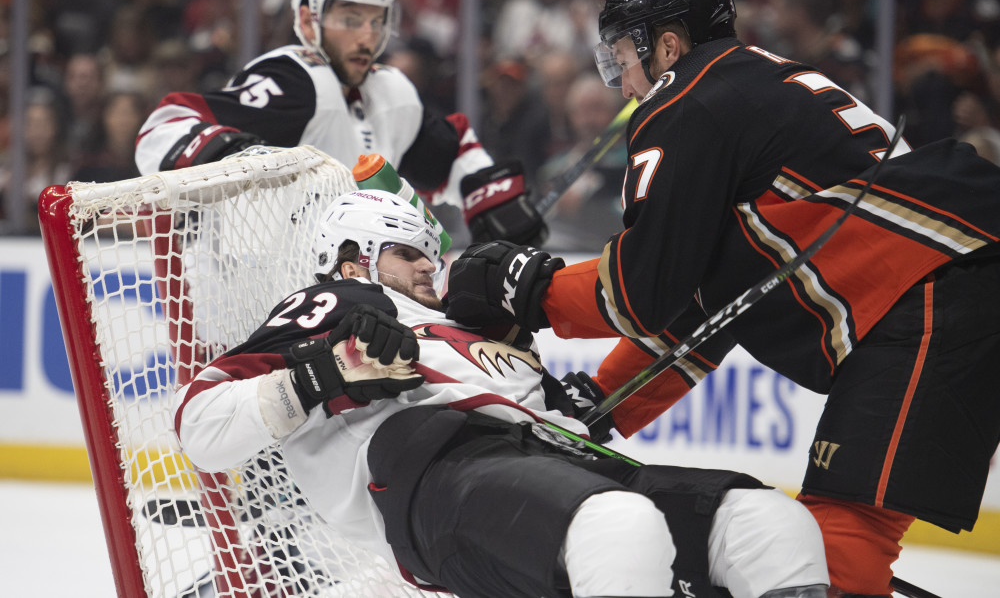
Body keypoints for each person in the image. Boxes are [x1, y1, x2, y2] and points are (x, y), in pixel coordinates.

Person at [444, 0, 1000, 598]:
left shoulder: (686, 99)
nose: (622, 82)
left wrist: (526, 288)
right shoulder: (744, 88)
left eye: (622, 56)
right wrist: (605, 402)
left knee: (844, 538)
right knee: (835, 535)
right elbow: (706, 300)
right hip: (950, 277)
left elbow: (640, 289)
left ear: (668, 46)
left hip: (940, 288)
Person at [172, 188, 829, 598]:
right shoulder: (338, 300)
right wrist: (325, 372)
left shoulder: (470, 330)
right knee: (617, 527)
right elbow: (199, 426)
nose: (431, 265)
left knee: (766, 522)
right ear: (354, 260)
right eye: (409, 253)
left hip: (554, 468)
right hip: (432, 476)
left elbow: (553, 421)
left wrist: (561, 402)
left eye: (433, 253)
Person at [135, 0, 546, 248]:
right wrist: (232, 156)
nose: (366, 37)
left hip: (347, 307)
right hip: (251, 312)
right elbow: (166, 124)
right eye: (350, 19)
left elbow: (450, 153)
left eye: (375, 20)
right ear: (307, 19)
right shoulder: (295, 79)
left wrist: (491, 201)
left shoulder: (392, 91)